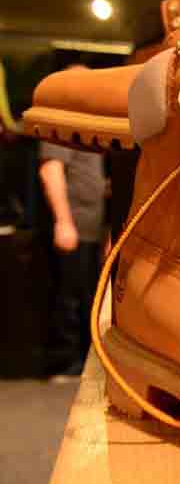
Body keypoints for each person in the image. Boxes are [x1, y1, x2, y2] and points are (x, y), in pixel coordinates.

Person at [38, 65, 107, 377]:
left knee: (86, 296)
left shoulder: (87, 125)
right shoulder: (60, 122)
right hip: (73, 226)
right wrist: (63, 222)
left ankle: (80, 359)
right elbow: (50, 170)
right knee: (66, 296)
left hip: (90, 227)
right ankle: (63, 362)